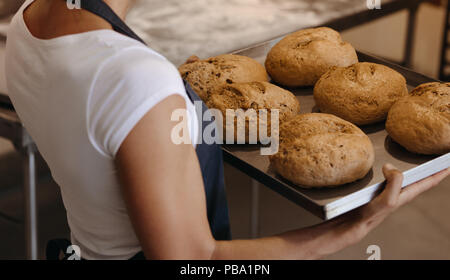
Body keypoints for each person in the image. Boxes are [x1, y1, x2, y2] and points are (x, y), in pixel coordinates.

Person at [5, 0, 449, 260]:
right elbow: (197, 260)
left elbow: (113, 134)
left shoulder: (28, 26)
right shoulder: (135, 77)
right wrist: (347, 229)